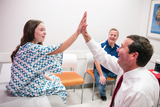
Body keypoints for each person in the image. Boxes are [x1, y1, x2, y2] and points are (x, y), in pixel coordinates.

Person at [6, 12, 87, 105]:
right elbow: (59, 48)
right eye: (41, 30)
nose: (45, 32)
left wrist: (50, 78)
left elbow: (33, 70)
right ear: (31, 31)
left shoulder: (26, 47)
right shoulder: (32, 48)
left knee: (55, 78)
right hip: (24, 88)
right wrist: (77, 32)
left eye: (45, 29)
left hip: (18, 86)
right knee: (61, 88)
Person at [81, 12, 159, 107]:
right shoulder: (125, 68)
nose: (118, 49)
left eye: (122, 47)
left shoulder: (139, 92)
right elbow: (102, 56)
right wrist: (84, 33)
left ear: (133, 56)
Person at [94, 28, 119, 101]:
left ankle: (119, 95)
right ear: (108, 35)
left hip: (112, 70)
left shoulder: (118, 48)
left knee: (125, 77)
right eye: (111, 35)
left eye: (115, 35)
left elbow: (120, 62)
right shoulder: (101, 46)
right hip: (101, 70)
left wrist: (120, 74)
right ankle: (103, 94)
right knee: (101, 83)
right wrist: (101, 75)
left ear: (117, 37)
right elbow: (96, 61)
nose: (112, 37)